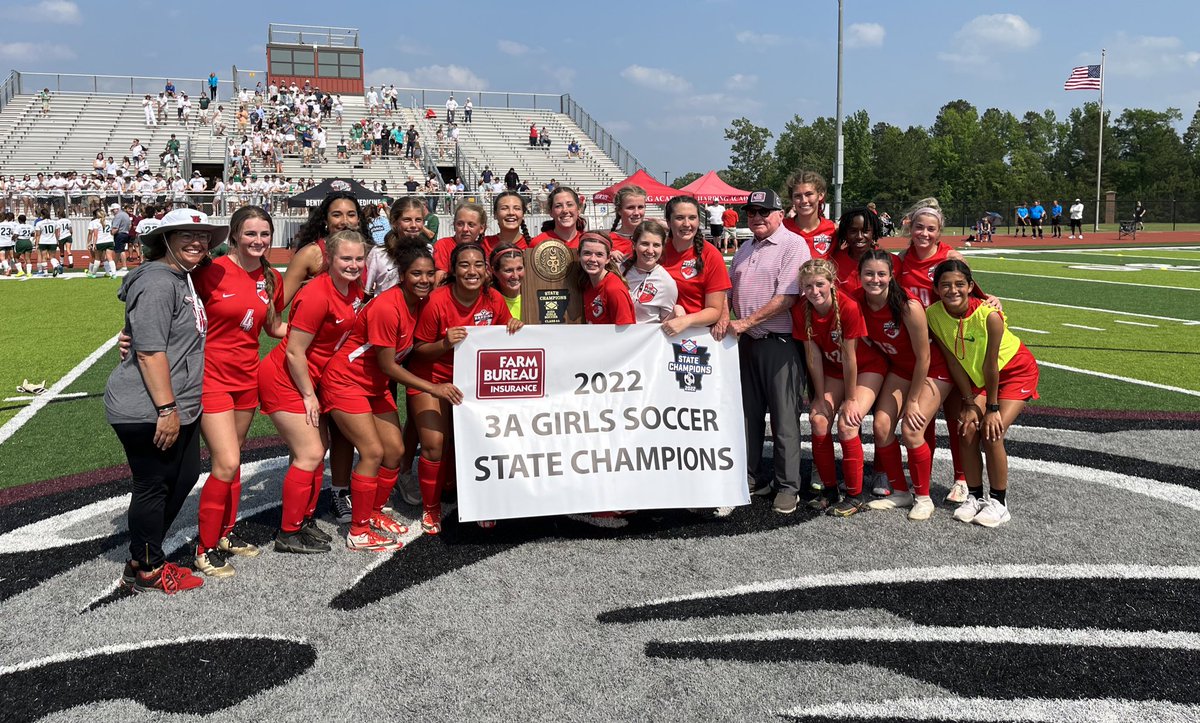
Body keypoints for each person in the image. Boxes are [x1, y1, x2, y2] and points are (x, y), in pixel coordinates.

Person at [106, 209, 228, 594]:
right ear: (166, 239)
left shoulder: (181, 277)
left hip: (178, 401)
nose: (198, 241)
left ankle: (145, 554)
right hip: (149, 406)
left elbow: (142, 333)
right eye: (186, 235)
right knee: (154, 484)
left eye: (203, 235)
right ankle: (147, 568)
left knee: (184, 476)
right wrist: (166, 409)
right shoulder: (160, 281)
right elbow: (150, 352)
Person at [319, 245, 443, 551]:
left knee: (394, 451)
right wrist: (433, 388)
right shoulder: (389, 306)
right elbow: (388, 365)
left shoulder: (420, 303)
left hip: (373, 386)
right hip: (346, 381)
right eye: (416, 273)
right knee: (373, 452)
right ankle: (358, 532)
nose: (424, 279)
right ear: (401, 276)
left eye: (429, 273)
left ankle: (373, 511)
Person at [188, 206, 288, 575]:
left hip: (247, 380)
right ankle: (205, 546)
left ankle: (226, 533)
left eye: (264, 234)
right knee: (226, 462)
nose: (258, 241)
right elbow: (172, 306)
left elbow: (273, 327)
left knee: (233, 462)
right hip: (211, 378)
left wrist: (310, 332)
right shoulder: (210, 272)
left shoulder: (271, 277)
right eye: (250, 234)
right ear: (234, 235)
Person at [259, 230, 367, 542]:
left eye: (359, 258)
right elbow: (294, 351)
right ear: (330, 259)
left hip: (308, 375)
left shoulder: (353, 287)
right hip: (287, 378)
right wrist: (309, 394)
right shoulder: (318, 294)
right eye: (346, 258)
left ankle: (303, 519)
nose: (353, 264)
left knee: (317, 453)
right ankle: (289, 531)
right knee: (310, 453)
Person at [408, 243, 522, 533]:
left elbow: (501, 337)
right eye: (464, 265)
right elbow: (417, 350)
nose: (472, 271)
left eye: (477, 265)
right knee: (435, 446)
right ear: (454, 270)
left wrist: (513, 326)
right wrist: (445, 344)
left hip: (471, 382)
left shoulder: (493, 298)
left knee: (483, 440)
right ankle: (431, 510)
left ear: (486, 270)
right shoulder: (437, 301)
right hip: (432, 380)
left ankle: (481, 501)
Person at [715, 189, 809, 514]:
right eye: (751, 212)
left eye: (763, 211)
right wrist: (728, 315)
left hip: (777, 342)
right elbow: (728, 290)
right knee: (746, 418)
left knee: (784, 421)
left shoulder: (793, 244)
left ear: (780, 214)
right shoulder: (744, 248)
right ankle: (751, 476)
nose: (756, 217)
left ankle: (788, 486)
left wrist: (745, 322)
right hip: (745, 343)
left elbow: (789, 296)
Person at [927, 259, 1039, 528]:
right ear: (936, 288)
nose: (953, 290)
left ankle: (999, 502)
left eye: (959, 284)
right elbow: (953, 360)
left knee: (992, 431)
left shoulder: (989, 316)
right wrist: (968, 402)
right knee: (966, 429)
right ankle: (975, 496)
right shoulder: (933, 314)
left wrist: (991, 408)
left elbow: (992, 365)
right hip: (981, 378)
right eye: (945, 285)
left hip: (1013, 372)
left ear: (970, 286)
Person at [857, 250, 953, 521]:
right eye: (868, 273)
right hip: (900, 369)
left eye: (881, 274)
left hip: (931, 371)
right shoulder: (858, 300)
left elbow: (924, 356)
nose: (875, 279)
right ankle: (900, 491)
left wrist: (912, 400)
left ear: (891, 276)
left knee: (912, 430)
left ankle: (924, 497)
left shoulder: (908, 306)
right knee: (881, 426)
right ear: (859, 275)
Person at [793, 258, 887, 515]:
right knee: (818, 418)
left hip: (866, 369)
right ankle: (830, 489)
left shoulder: (847, 306)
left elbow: (850, 358)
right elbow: (813, 358)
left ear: (831, 283)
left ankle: (855, 495)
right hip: (834, 370)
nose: (815, 291)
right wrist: (821, 397)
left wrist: (852, 398)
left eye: (820, 284)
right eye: (808, 286)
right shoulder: (802, 309)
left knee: (848, 422)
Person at [658, 195, 730, 338]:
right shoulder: (657, 251)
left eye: (692, 218)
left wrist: (686, 321)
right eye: (679, 218)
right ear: (668, 222)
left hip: (697, 337)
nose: (686, 224)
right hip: (659, 335)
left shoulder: (711, 255)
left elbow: (715, 309)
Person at [623, 219, 679, 323]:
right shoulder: (619, 269)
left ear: (662, 247)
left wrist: (677, 311)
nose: (650, 250)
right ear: (634, 245)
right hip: (617, 336)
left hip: (646, 338)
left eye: (656, 245)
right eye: (645, 244)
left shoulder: (666, 283)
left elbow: (665, 323)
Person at [575, 231, 636, 325]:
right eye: (587, 253)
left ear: (608, 258)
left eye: (599, 254)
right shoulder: (586, 283)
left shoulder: (613, 289)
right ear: (579, 256)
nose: (592, 259)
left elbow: (625, 332)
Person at [783, 171, 836, 260]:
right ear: (792, 199)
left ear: (820, 195)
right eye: (797, 196)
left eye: (809, 194)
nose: (804, 200)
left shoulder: (834, 230)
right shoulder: (781, 228)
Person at [828, 207, 881, 295]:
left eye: (865, 231)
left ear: (874, 232)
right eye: (853, 231)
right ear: (845, 233)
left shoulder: (891, 262)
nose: (859, 236)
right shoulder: (833, 263)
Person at [432, 201, 487, 283]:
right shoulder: (443, 245)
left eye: (471, 225)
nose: (465, 229)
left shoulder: (485, 246)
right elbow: (439, 280)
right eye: (460, 224)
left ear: (481, 228)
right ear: (454, 226)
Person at [481, 190, 531, 260]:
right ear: (495, 214)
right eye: (504, 208)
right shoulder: (484, 244)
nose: (511, 213)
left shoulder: (533, 246)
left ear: (523, 214)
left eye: (517, 208)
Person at [607, 186, 645, 262]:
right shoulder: (608, 241)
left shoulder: (653, 237)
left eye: (640, 207)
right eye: (630, 208)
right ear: (619, 210)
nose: (636, 213)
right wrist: (606, 256)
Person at [490, 242, 525, 320]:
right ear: (494, 271)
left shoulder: (535, 297)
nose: (515, 276)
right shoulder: (488, 300)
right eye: (508, 270)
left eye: (519, 269)